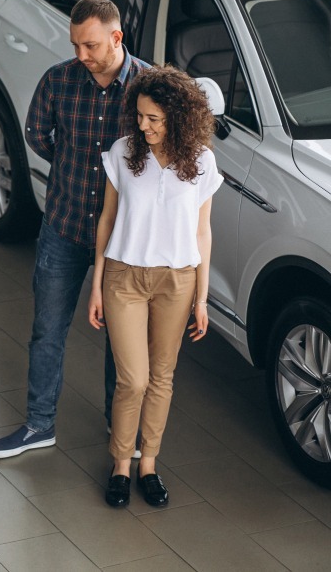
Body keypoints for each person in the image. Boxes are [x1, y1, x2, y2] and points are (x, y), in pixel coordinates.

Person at [0, 0, 149, 459]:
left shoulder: (148, 87)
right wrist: (73, 164)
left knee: (120, 338)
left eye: (91, 45)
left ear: (117, 37)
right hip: (64, 225)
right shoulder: (58, 80)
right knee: (48, 329)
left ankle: (117, 424)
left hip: (122, 238)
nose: (81, 55)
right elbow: (36, 134)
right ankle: (39, 425)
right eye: (76, 44)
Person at [88, 65, 221, 507]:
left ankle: (149, 465)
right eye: (140, 116)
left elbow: (203, 233)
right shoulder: (123, 152)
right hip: (124, 277)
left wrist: (202, 299)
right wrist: (96, 286)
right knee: (134, 379)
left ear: (178, 119)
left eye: (154, 119)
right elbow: (106, 220)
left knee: (162, 378)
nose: (143, 126)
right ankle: (120, 465)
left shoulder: (201, 160)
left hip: (177, 281)